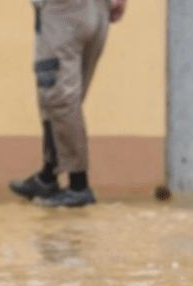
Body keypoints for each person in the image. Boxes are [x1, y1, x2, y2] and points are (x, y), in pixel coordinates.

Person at [9, 0, 127, 208]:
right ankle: (48, 176)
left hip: (64, 10)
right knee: (64, 97)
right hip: (95, 9)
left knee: (58, 97)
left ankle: (78, 185)